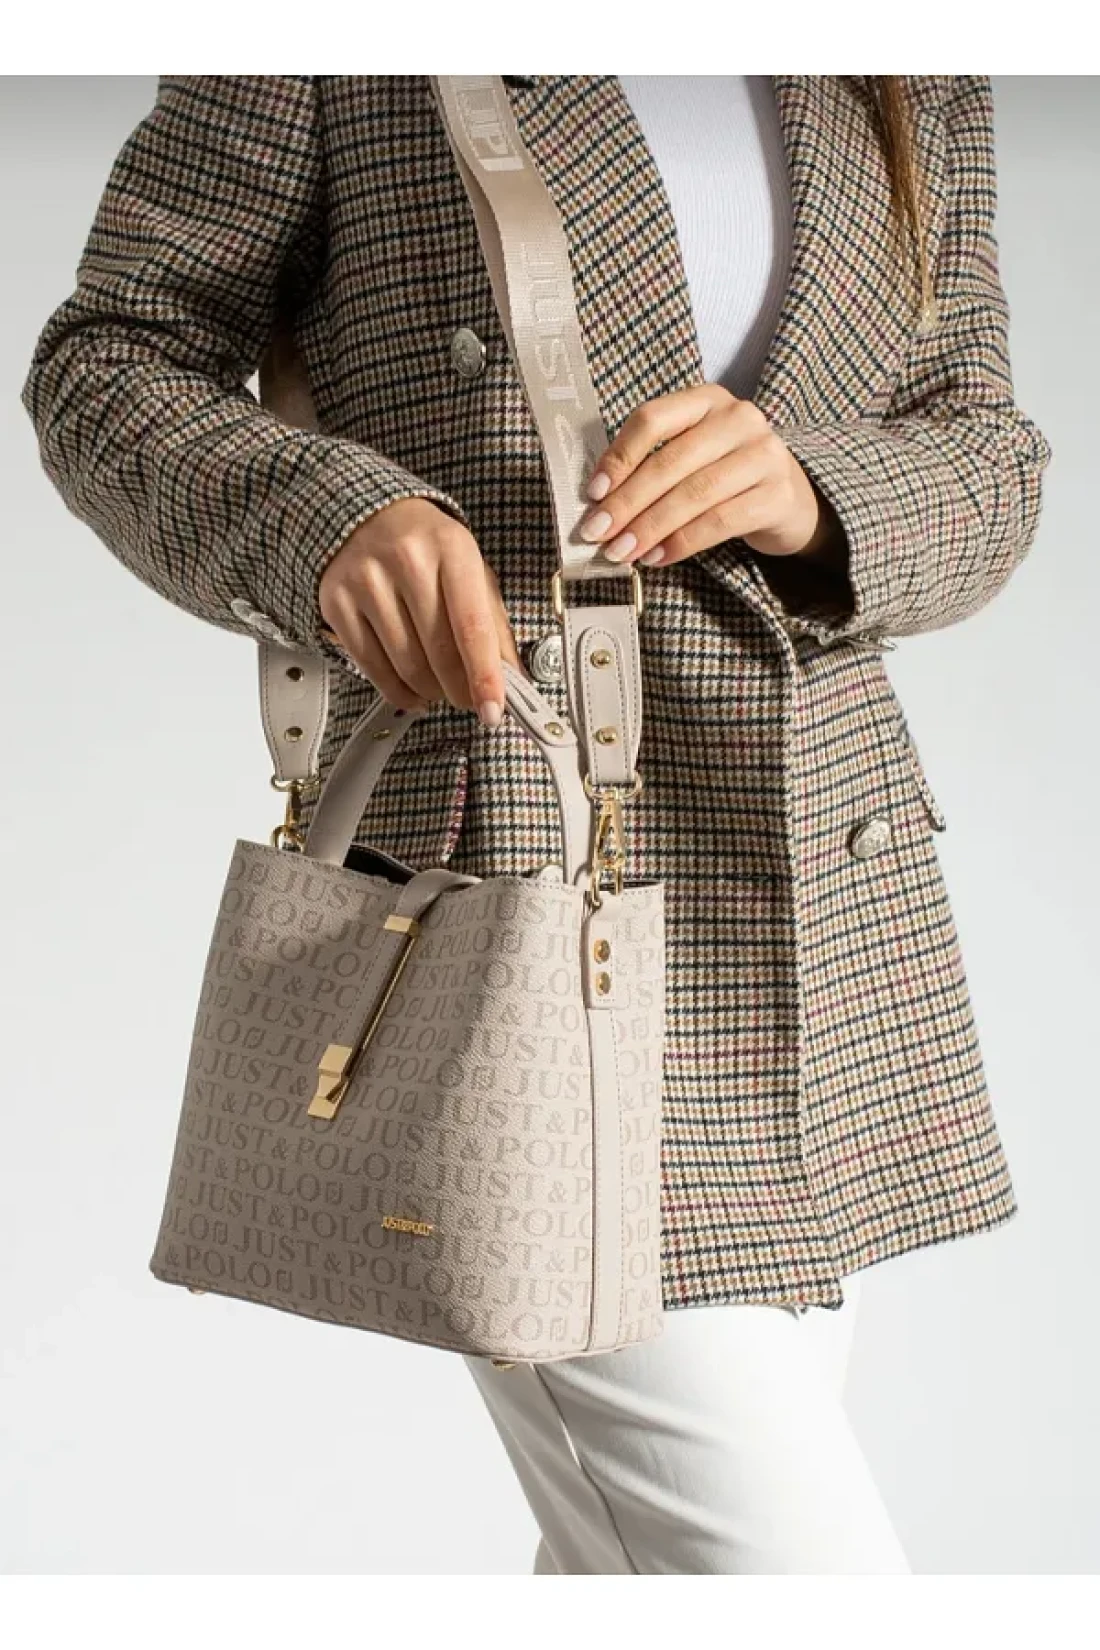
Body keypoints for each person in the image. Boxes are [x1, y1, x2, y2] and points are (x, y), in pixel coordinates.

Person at [21, 73, 1051, 1574]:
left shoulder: (911, 61)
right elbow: (112, 361)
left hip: (819, 913)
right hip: (533, 903)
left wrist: (815, 492)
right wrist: (327, 515)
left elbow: (985, 448)